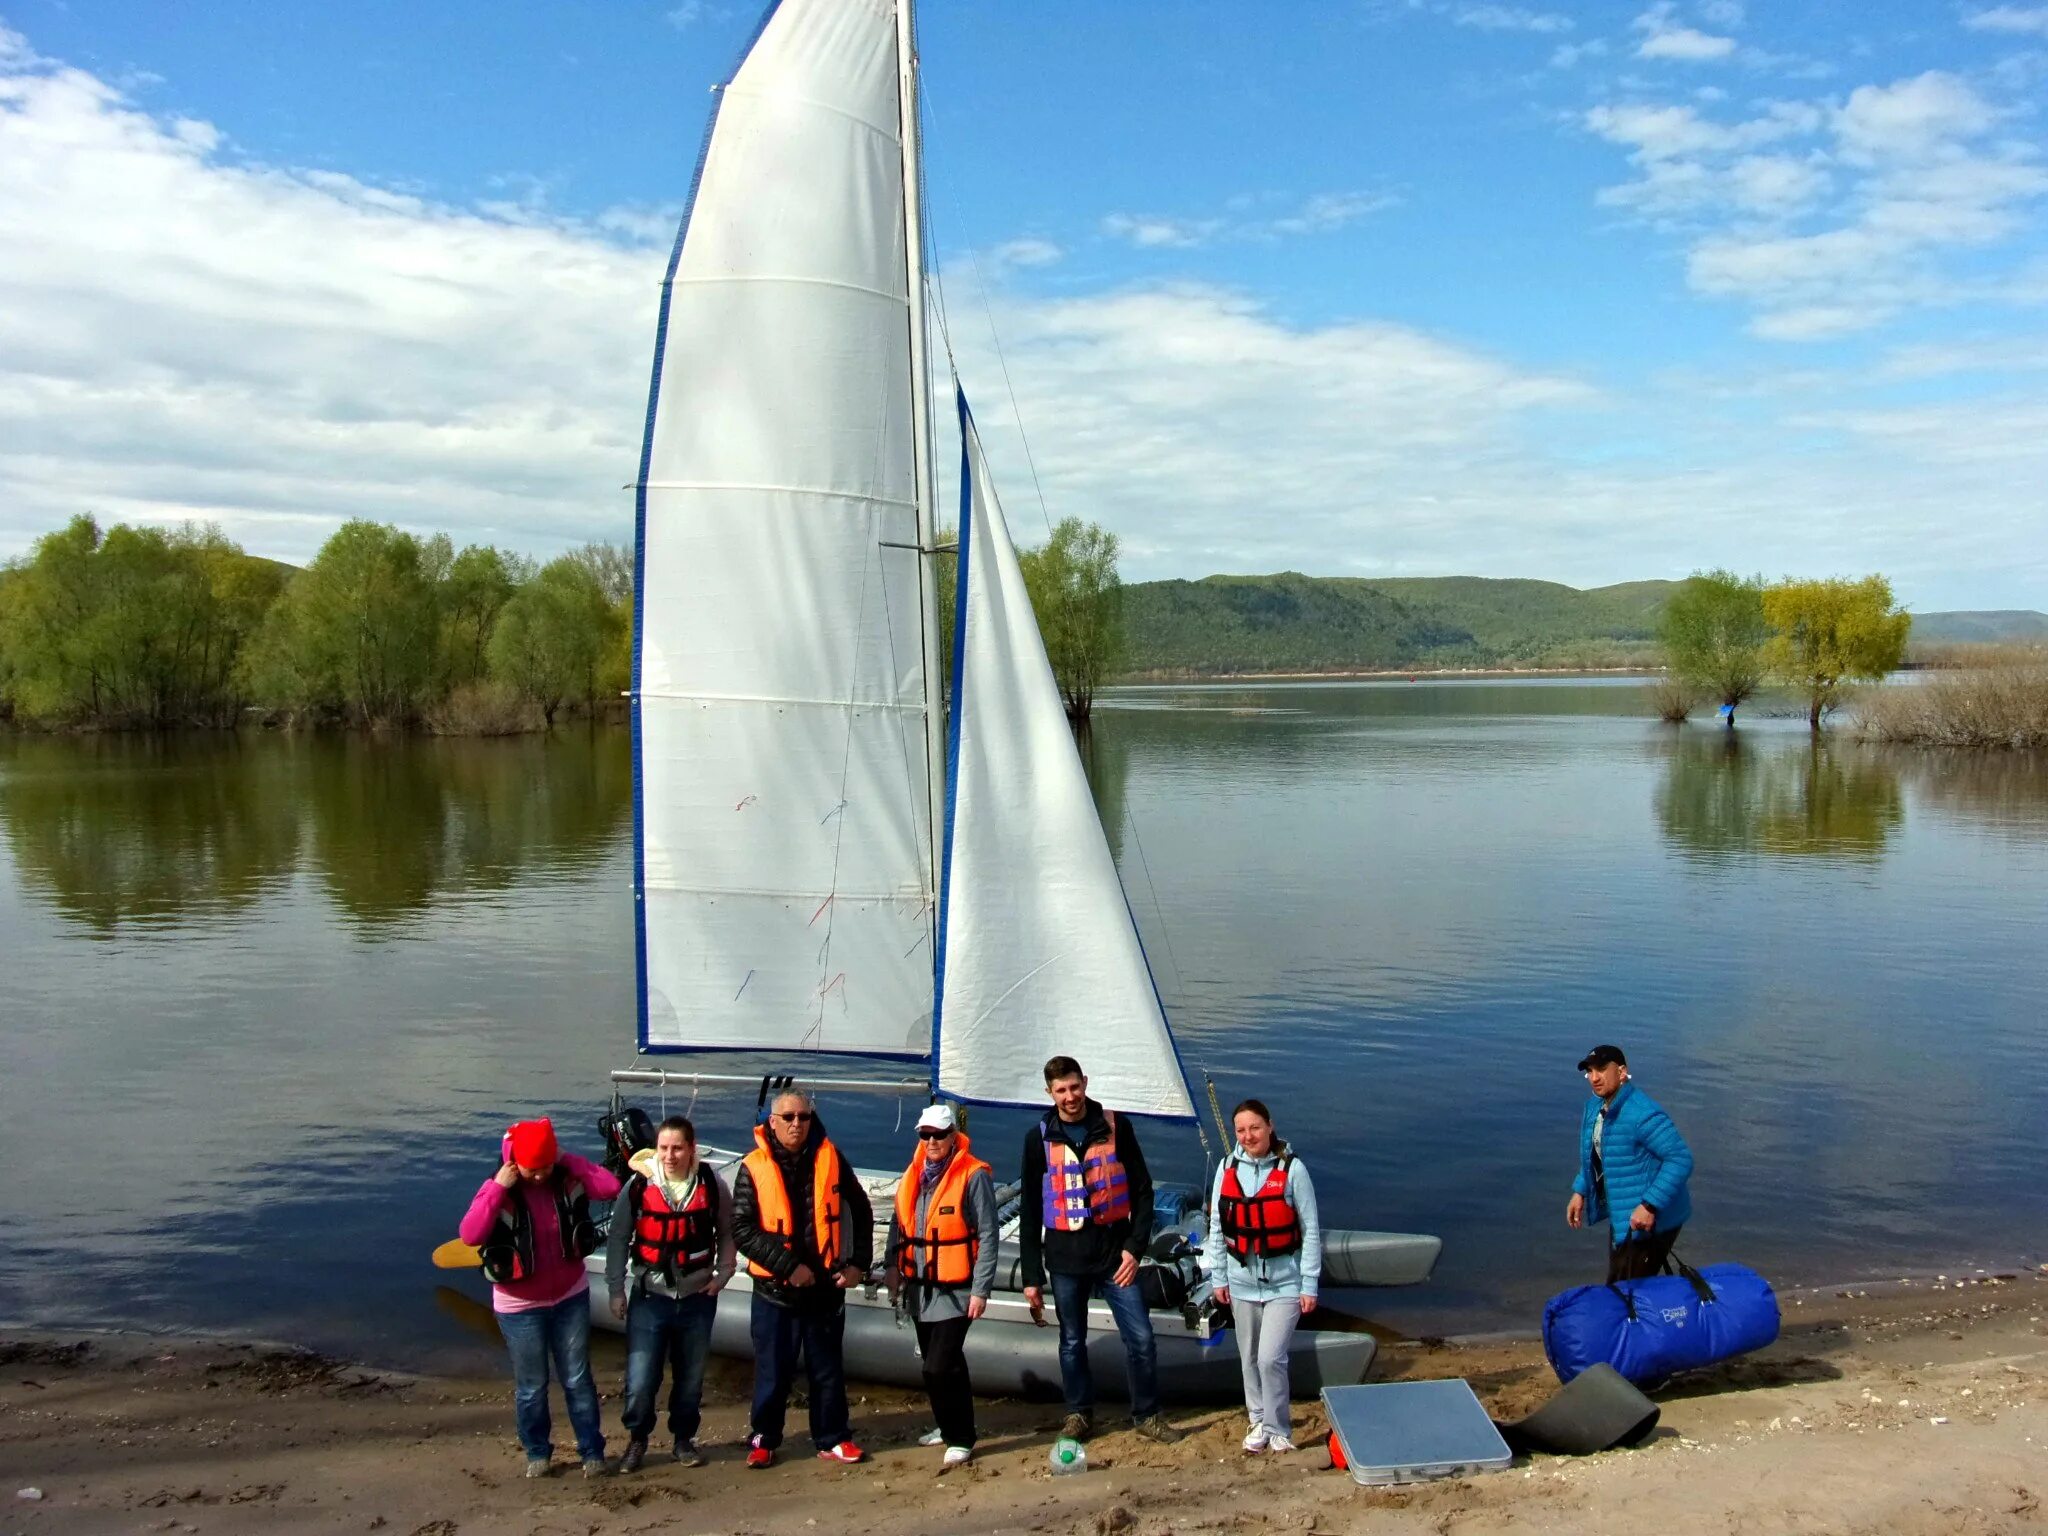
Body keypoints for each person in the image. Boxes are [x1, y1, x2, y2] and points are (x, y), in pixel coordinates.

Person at [1018, 1056, 1183, 1445]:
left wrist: (1134, 1249)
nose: (1070, 1096)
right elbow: (1030, 1209)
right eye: (1061, 1090)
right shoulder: (1037, 1138)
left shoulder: (1115, 1127)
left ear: (1085, 1083)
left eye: (1075, 1087)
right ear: (1049, 1093)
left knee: (1141, 1338)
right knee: (1072, 1341)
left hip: (1115, 1257)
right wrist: (1030, 1277)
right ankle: (1078, 1415)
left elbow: (1143, 1190)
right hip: (1064, 1259)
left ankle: (1146, 1414)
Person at [457, 1116, 621, 1479]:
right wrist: (497, 1187)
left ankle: (592, 1451)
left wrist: (566, 1159)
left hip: (570, 1297)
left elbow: (609, 1187)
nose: (540, 1175)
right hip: (519, 1308)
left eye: (546, 1166)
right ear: (515, 1161)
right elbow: (470, 1234)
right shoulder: (500, 1188)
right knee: (532, 1386)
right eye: (532, 1168)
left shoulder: (564, 1176)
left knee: (578, 1379)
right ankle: (537, 1452)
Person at [731, 1090, 874, 1468]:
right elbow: (742, 1230)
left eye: (804, 1117)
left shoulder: (830, 1157)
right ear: (772, 1122)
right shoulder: (754, 1165)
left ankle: (834, 1438)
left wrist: (859, 1263)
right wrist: (788, 1267)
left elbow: (860, 1209)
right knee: (772, 1373)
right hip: (775, 1293)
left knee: (827, 1372)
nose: (797, 1124)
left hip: (824, 1291)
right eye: (789, 1117)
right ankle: (764, 1440)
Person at [604, 1114, 735, 1473]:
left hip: (697, 1300)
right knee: (641, 1380)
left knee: (690, 1379)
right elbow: (617, 1239)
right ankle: (637, 1440)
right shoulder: (637, 1186)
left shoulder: (711, 1183)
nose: (670, 1155)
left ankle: (683, 1440)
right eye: (664, 1148)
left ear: (692, 1149)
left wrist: (724, 1272)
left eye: (678, 1148)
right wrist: (616, 1290)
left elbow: (726, 1231)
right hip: (650, 1299)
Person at [1203, 1098, 1322, 1454]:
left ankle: (1278, 1427)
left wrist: (1309, 1283)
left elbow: (1311, 1229)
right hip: (1241, 1284)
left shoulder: (1293, 1170)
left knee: (1271, 1358)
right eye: (1241, 1130)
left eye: (1255, 1127)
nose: (1248, 1135)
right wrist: (1219, 1278)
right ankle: (1257, 1418)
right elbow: (1216, 1226)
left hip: (1285, 1283)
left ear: (1270, 1126)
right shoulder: (1227, 1167)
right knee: (1249, 1358)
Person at [883, 1104, 999, 1468]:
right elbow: (899, 1223)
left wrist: (981, 1290)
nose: (932, 1141)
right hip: (920, 1289)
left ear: (953, 1137)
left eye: (939, 1135)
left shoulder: (973, 1175)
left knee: (938, 1365)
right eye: (925, 1135)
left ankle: (961, 1438)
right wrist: (891, 1267)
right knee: (945, 1367)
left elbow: (989, 1234)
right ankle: (946, 1425)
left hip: (957, 1290)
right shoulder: (914, 1172)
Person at [1565, 1045, 1695, 1282]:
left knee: (1629, 1294)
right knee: (1619, 1288)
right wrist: (1581, 1190)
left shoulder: (1641, 1114)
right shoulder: (1597, 1107)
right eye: (1590, 1071)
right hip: (1625, 1214)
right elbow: (1599, 1153)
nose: (1594, 1078)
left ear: (1622, 1072)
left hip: (1652, 1222)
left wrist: (1649, 1206)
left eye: (1602, 1070)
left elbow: (1680, 1159)